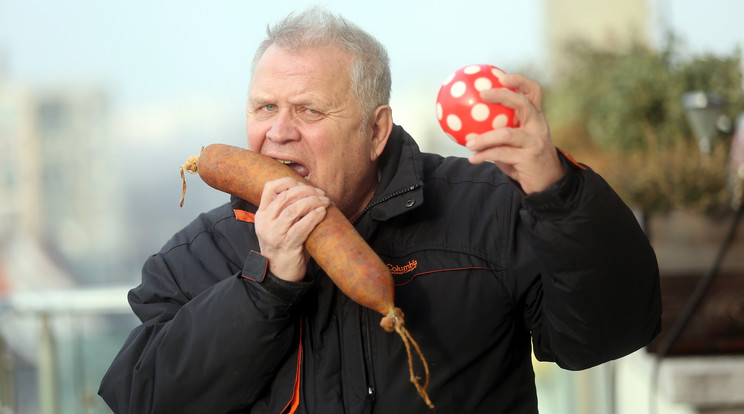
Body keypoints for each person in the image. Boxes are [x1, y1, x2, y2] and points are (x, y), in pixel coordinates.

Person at [99, 7, 661, 414]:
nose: (278, 132)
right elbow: (144, 399)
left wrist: (558, 194)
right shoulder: (193, 257)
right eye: (265, 106)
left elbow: (609, 333)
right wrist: (262, 288)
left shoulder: (487, 208)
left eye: (309, 109)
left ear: (375, 130)